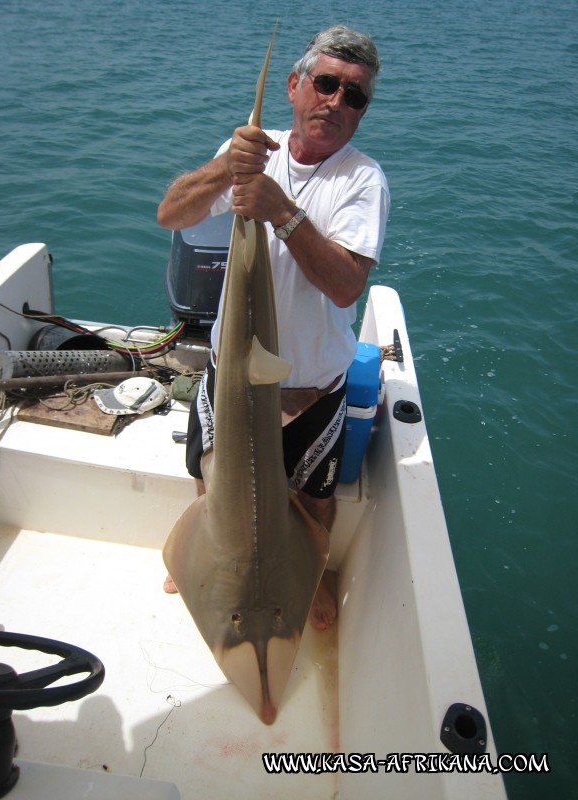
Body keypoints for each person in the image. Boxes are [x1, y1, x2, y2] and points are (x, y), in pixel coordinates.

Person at [158, 25, 390, 629]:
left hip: (312, 383)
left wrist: (281, 210)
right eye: (327, 84)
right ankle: (203, 561)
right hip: (233, 377)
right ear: (295, 85)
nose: (338, 102)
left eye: (356, 96)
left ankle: (309, 576)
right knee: (211, 484)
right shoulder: (250, 152)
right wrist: (224, 172)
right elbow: (171, 213)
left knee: (314, 500)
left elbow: (345, 285)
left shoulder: (362, 180)